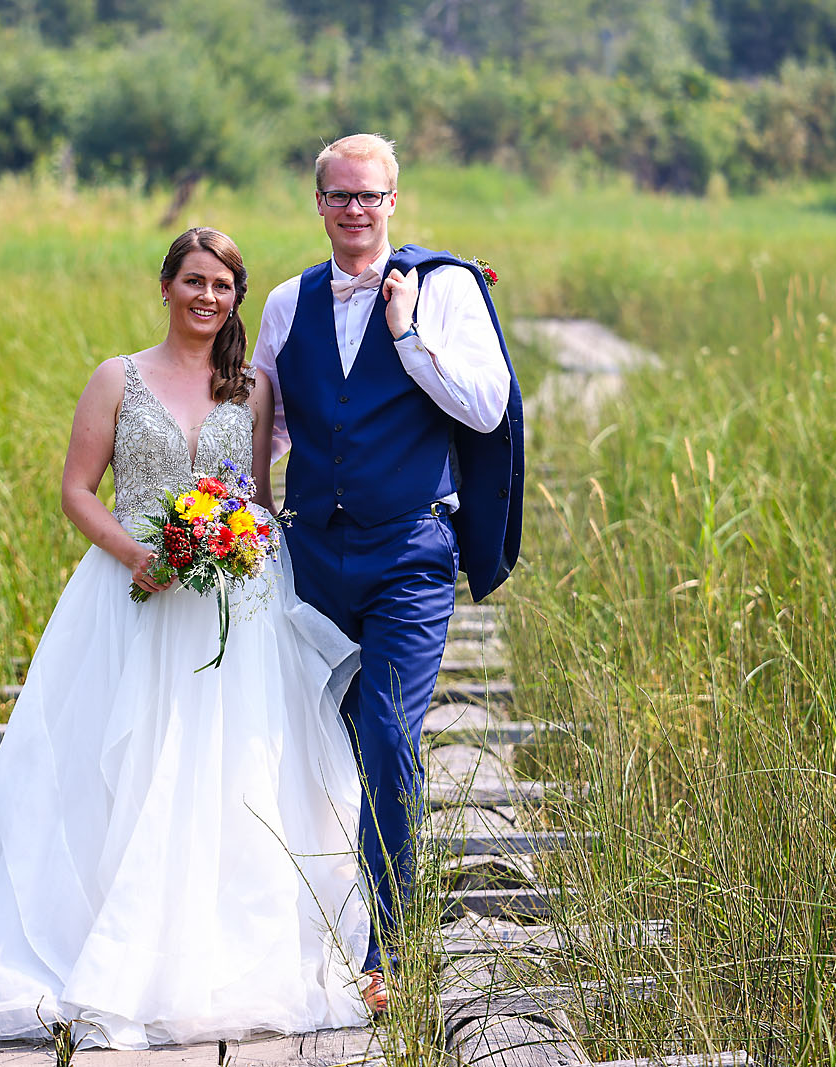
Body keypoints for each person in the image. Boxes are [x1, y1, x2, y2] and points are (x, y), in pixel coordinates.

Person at [0, 228, 371, 1053]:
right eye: (194, 281)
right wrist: (138, 551)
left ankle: (207, 955)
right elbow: (75, 491)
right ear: (165, 285)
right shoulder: (117, 378)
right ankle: (88, 947)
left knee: (225, 772)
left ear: (238, 298)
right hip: (128, 591)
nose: (208, 297)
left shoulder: (255, 388)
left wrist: (240, 542)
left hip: (232, 604)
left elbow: (259, 496)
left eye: (223, 286)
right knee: (105, 768)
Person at [250, 134, 525, 1010]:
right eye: (339, 197)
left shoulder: (445, 288)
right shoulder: (290, 301)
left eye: (369, 196)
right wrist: (235, 498)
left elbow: (486, 405)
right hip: (310, 555)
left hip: (410, 550)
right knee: (313, 749)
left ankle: (389, 952)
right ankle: (298, 931)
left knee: (390, 743)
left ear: (394, 199)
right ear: (319, 203)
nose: (355, 210)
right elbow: (277, 417)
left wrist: (407, 337)